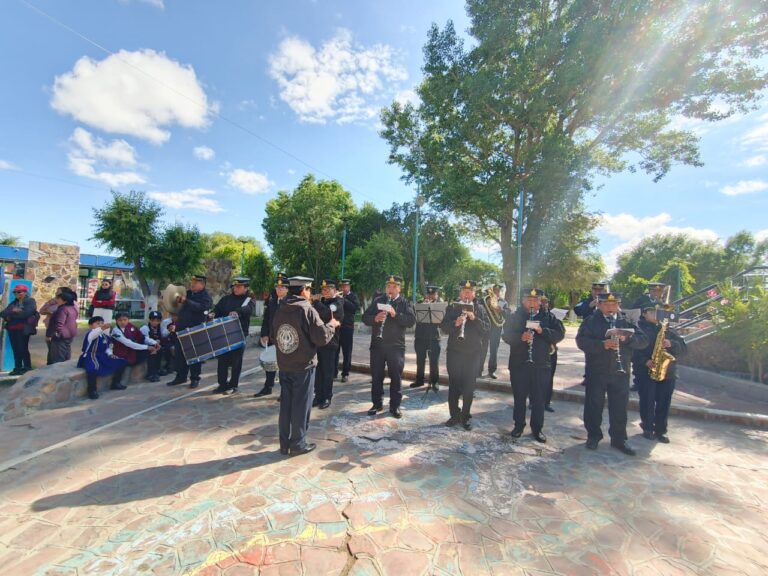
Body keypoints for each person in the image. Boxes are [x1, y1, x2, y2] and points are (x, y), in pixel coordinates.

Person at [272, 276, 338, 456]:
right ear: (303, 290)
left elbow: (274, 335)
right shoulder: (306, 309)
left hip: (285, 364)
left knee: (286, 406)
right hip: (303, 366)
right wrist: (331, 325)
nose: (310, 293)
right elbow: (321, 337)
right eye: (309, 289)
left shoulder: (281, 308)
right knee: (301, 406)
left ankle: (284, 444)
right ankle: (298, 444)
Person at [576, 293, 649, 455]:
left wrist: (627, 339)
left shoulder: (626, 321)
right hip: (597, 370)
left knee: (620, 407)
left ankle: (619, 439)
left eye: (614, 304)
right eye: (607, 304)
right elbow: (581, 341)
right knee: (594, 405)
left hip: (620, 371)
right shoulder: (591, 321)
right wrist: (602, 344)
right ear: (599, 305)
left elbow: (643, 341)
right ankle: (593, 436)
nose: (611, 308)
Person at [503, 289, 565, 443]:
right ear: (523, 301)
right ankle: (518, 426)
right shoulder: (515, 316)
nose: (532, 303)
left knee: (539, 399)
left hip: (541, 364)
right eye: (528, 300)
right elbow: (506, 335)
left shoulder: (548, 316)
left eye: (535, 300)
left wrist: (542, 330)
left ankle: (537, 429)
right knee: (519, 397)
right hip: (519, 364)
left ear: (540, 301)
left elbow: (560, 334)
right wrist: (520, 337)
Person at [362, 275, 416, 419]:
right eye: (388, 287)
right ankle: (377, 404)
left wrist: (395, 314)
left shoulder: (405, 302)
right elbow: (365, 317)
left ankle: (395, 406)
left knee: (396, 377)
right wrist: (375, 318)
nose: (390, 290)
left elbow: (411, 321)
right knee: (377, 376)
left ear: (399, 288)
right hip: (377, 345)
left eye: (393, 287)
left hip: (396, 346)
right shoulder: (378, 301)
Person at [632, 305, 687, 443]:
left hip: (667, 372)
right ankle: (648, 428)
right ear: (644, 314)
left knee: (664, 402)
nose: (657, 315)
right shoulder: (638, 329)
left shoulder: (668, 330)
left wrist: (671, 343)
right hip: (646, 371)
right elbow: (632, 349)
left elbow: (684, 349)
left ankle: (661, 430)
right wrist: (645, 361)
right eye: (652, 312)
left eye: (659, 313)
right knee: (647, 401)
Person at [441, 280, 489, 430]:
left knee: (469, 387)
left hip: (473, 354)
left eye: (470, 291)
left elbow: (486, 329)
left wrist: (474, 319)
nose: (467, 293)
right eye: (464, 291)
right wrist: (455, 323)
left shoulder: (480, 309)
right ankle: (454, 415)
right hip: (455, 353)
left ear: (474, 293)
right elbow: (443, 327)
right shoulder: (453, 307)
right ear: (460, 293)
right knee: (454, 386)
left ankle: (465, 415)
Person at [166, 274, 213, 389]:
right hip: (181, 328)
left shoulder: (206, 297)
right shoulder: (188, 293)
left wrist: (186, 301)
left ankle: (195, 378)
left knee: (195, 355)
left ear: (202, 284)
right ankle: (180, 376)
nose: (192, 284)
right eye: (192, 282)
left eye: (195, 283)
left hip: (195, 330)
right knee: (180, 354)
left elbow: (200, 307)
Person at [212, 277, 256, 395]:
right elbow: (217, 309)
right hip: (224, 333)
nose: (236, 288)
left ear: (246, 288)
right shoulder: (226, 299)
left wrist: (237, 312)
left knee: (236, 360)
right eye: (235, 286)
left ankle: (233, 385)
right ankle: (222, 384)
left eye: (239, 287)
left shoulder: (248, 300)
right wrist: (213, 313)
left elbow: (248, 309)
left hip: (238, 333)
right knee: (222, 360)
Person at [312, 279, 344, 409]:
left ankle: (327, 397)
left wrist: (316, 302)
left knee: (328, 371)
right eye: (323, 289)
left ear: (334, 290)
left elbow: (327, 315)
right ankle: (318, 395)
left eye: (327, 289)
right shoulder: (322, 302)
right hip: (318, 340)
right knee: (318, 371)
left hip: (330, 342)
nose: (324, 291)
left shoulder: (338, 303)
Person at [254, 272, 288, 397]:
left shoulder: (290, 302)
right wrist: (264, 334)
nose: (279, 290)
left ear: (287, 289)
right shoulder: (272, 302)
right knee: (270, 363)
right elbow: (266, 320)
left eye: (282, 287)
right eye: (277, 287)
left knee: (284, 366)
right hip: (272, 338)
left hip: (285, 339)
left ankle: (285, 391)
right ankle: (268, 387)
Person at [77, 316, 126, 400]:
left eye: (101, 323)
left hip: (102, 356)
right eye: (97, 323)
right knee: (93, 368)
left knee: (121, 362)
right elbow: (95, 333)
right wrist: (102, 328)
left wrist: (110, 354)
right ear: (91, 326)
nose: (100, 325)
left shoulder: (105, 336)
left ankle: (115, 383)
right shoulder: (91, 334)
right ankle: (92, 390)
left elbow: (108, 348)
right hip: (90, 356)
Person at [110, 311, 159, 390]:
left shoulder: (131, 327)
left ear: (128, 320)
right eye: (120, 320)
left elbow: (142, 337)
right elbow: (128, 343)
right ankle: (115, 383)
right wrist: (147, 347)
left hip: (132, 354)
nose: (123, 322)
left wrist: (154, 343)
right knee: (119, 363)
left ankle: (152, 374)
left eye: (125, 320)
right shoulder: (116, 331)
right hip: (122, 355)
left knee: (153, 350)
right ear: (116, 321)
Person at [574, 282, 608, 386]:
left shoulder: (608, 301)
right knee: (590, 355)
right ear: (592, 291)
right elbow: (577, 311)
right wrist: (589, 305)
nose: (597, 292)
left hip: (604, 332)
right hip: (590, 333)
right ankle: (588, 376)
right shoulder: (587, 301)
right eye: (595, 290)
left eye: (600, 290)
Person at [0, 284, 37, 375]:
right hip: (12, 329)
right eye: (15, 292)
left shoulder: (30, 301)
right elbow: (3, 313)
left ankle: (27, 367)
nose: (16, 294)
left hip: (23, 329)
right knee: (15, 349)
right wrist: (14, 311)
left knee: (23, 348)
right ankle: (18, 368)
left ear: (25, 292)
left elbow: (26, 314)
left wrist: (11, 314)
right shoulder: (14, 303)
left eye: (19, 292)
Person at [411, 284, 442, 390]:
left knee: (434, 361)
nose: (430, 296)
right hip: (420, 336)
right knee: (420, 360)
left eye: (433, 294)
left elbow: (442, 322)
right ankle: (419, 380)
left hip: (434, 337)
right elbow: (413, 317)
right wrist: (423, 305)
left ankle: (434, 382)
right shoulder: (419, 303)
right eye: (429, 294)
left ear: (437, 295)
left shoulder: (440, 306)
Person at [46, 288, 78, 364]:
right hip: (69, 336)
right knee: (66, 358)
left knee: (58, 359)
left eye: (58, 299)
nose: (57, 300)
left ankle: (57, 375)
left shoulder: (63, 309)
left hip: (61, 337)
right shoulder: (72, 308)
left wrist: (53, 334)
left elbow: (59, 324)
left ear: (64, 300)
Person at [335, 279, 359, 383]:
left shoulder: (353, 296)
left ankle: (345, 373)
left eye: (345, 286)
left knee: (347, 352)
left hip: (347, 328)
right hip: (336, 327)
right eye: (342, 287)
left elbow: (354, 308)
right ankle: (333, 372)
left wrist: (343, 299)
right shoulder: (337, 297)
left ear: (349, 287)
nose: (343, 288)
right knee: (335, 351)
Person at [540, 295, 558, 413]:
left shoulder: (552, 316)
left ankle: (546, 402)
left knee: (549, 377)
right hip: (539, 351)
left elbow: (559, 333)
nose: (545, 305)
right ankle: (533, 401)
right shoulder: (536, 316)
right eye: (543, 303)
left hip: (551, 350)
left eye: (546, 303)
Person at [486, 284, 508, 379]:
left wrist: (501, 310)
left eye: (498, 291)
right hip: (485, 327)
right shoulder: (486, 300)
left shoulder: (503, 302)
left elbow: (508, 313)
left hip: (496, 328)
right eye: (494, 291)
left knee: (493, 350)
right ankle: (477, 370)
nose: (496, 293)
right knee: (481, 349)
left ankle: (492, 370)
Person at [140, 311, 164, 382]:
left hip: (155, 346)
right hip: (144, 347)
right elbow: (145, 340)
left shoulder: (159, 328)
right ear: (149, 320)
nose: (155, 322)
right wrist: (155, 343)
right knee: (153, 351)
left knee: (161, 349)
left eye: (157, 321)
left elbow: (164, 334)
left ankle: (157, 370)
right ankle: (150, 374)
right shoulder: (145, 328)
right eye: (153, 320)